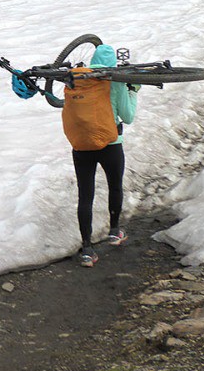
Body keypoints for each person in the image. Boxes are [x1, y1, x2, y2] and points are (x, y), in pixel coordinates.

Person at [15, 43, 137, 267]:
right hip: (111, 143)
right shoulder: (115, 81)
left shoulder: (78, 80)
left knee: (85, 195)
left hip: (81, 145)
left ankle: (87, 249)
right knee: (115, 186)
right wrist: (132, 92)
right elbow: (128, 117)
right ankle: (114, 231)